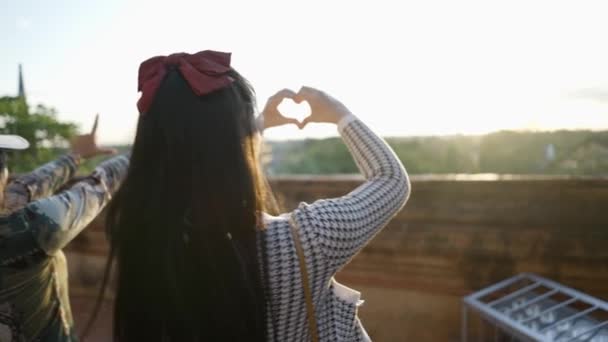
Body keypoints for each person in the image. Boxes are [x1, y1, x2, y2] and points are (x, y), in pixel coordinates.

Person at [102, 50, 410, 341]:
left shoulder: (142, 236)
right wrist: (340, 115)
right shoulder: (306, 239)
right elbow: (391, 180)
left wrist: (254, 127)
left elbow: (193, 158)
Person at [0, 116, 130, 341]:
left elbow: (23, 188)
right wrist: (142, 149)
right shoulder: (28, 229)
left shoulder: (14, 219)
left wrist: (75, 157)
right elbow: (97, 187)